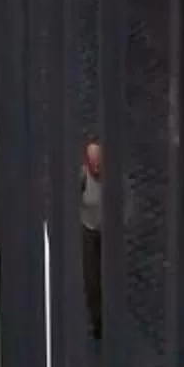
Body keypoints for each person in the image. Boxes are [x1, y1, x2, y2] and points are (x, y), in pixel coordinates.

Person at [79, 139, 104, 342]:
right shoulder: (83, 177)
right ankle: (96, 320)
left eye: (99, 162)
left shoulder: (109, 175)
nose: (97, 166)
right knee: (92, 278)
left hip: (106, 232)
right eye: (93, 162)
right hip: (89, 231)